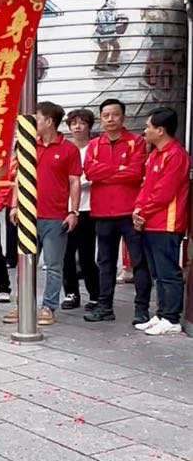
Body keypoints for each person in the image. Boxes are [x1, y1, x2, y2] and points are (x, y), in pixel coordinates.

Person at [7, 102, 81, 325]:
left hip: (56, 217)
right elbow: (19, 177)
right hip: (28, 215)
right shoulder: (28, 145)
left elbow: (74, 182)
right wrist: (14, 205)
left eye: (36, 119)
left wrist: (73, 211)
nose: (32, 123)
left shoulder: (69, 149)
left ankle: (48, 307)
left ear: (49, 121)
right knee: (24, 264)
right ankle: (22, 305)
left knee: (53, 265)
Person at [83, 98, 150, 324]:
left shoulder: (136, 141)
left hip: (130, 212)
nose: (110, 119)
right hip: (102, 213)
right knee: (105, 262)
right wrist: (118, 170)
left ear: (123, 117)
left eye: (115, 114)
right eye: (106, 115)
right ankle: (104, 307)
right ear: (100, 119)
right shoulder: (94, 144)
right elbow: (90, 172)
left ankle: (141, 309)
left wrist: (106, 173)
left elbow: (136, 173)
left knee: (139, 261)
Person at [132, 107, 190, 335]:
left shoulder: (176, 155)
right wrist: (138, 210)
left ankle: (172, 318)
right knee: (157, 272)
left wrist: (143, 212)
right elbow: (146, 187)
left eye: (148, 126)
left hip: (167, 223)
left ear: (160, 130)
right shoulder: (155, 154)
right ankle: (161, 313)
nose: (144, 131)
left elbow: (164, 192)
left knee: (168, 272)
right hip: (149, 221)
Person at [62, 108, 100, 311]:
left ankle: (95, 295)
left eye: (82, 123)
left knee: (86, 255)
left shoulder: (95, 147)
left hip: (87, 208)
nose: (77, 127)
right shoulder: (66, 148)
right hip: (64, 208)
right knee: (66, 254)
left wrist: (75, 181)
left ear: (89, 126)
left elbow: (94, 175)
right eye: (73, 123)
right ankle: (71, 293)